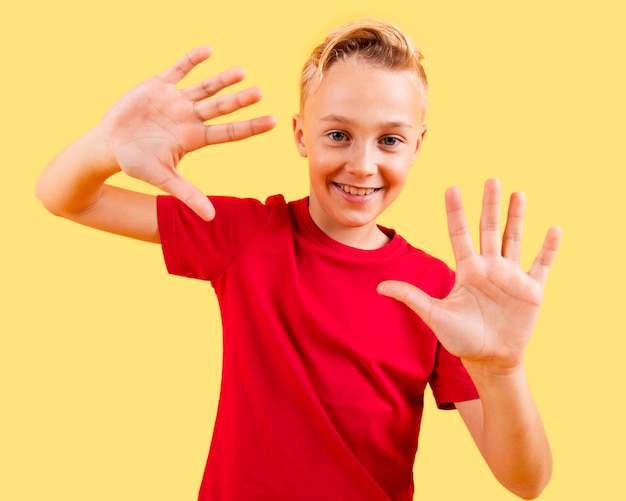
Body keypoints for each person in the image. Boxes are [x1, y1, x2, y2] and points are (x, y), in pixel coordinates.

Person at [36, 18, 561, 501]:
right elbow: (66, 197)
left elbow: (526, 479)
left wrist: (503, 369)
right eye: (338, 134)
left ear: (417, 146)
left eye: (390, 140)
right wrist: (106, 146)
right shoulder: (246, 234)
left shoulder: (441, 293)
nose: (362, 164)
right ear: (300, 134)